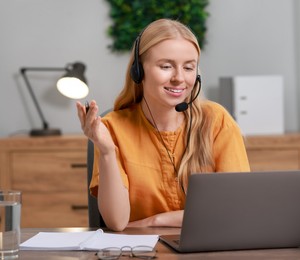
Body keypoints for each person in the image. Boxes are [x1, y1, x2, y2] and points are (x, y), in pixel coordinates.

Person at [76, 18, 250, 231]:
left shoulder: (216, 121)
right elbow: (117, 222)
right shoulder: (113, 128)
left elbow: (233, 210)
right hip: (139, 251)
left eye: (188, 67)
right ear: (138, 71)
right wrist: (106, 151)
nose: (179, 78)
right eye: (166, 66)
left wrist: (155, 221)